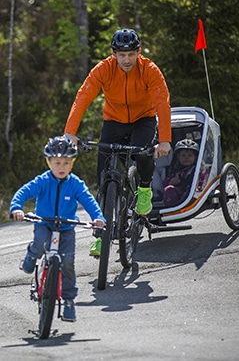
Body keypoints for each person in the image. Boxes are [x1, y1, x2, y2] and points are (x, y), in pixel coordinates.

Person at [64, 28, 172, 252]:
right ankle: (100, 237)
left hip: (143, 119)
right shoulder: (103, 69)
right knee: (103, 179)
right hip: (113, 121)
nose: (126, 60)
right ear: (113, 54)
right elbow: (83, 97)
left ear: (138, 53)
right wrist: (69, 132)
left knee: (143, 154)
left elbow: (162, 102)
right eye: (121, 55)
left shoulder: (149, 70)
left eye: (131, 54)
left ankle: (144, 190)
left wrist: (165, 140)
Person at [10, 136, 105, 322]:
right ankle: (30, 257)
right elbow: (24, 191)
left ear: (72, 163)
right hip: (44, 223)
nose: (62, 167)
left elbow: (89, 201)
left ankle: (69, 301)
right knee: (38, 243)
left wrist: (98, 218)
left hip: (66, 228)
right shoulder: (43, 181)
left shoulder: (76, 184)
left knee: (68, 263)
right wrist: (17, 207)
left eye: (66, 163)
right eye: (57, 162)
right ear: (49, 162)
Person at [163, 139, 199, 207]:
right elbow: (165, 182)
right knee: (169, 189)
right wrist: (170, 182)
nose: (186, 158)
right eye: (183, 155)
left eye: (190, 155)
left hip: (193, 194)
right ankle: (172, 208)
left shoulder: (197, 169)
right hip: (178, 193)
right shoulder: (176, 170)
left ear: (195, 157)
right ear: (178, 157)